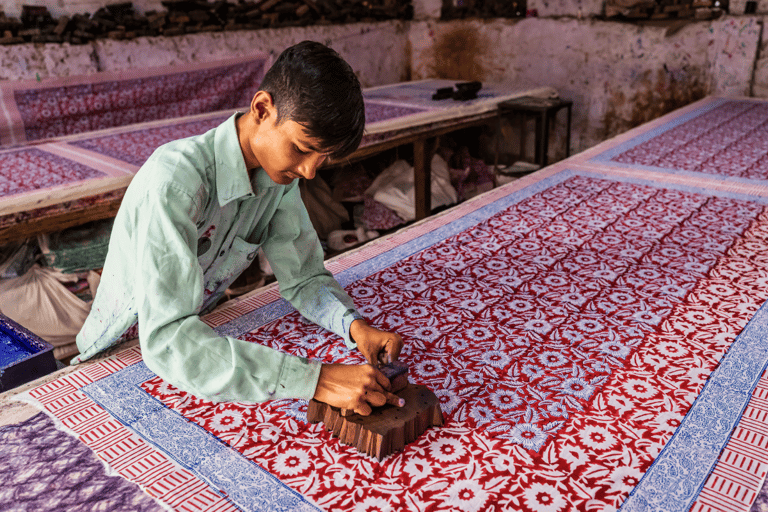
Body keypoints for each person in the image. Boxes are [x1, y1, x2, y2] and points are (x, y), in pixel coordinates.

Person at [72, 41, 404, 416]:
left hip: (195, 338)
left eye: (322, 158)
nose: (311, 171)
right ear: (262, 109)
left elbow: (303, 277)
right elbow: (165, 339)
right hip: (124, 353)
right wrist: (316, 379)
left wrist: (354, 327)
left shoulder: (278, 181)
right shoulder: (176, 183)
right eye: (301, 148)